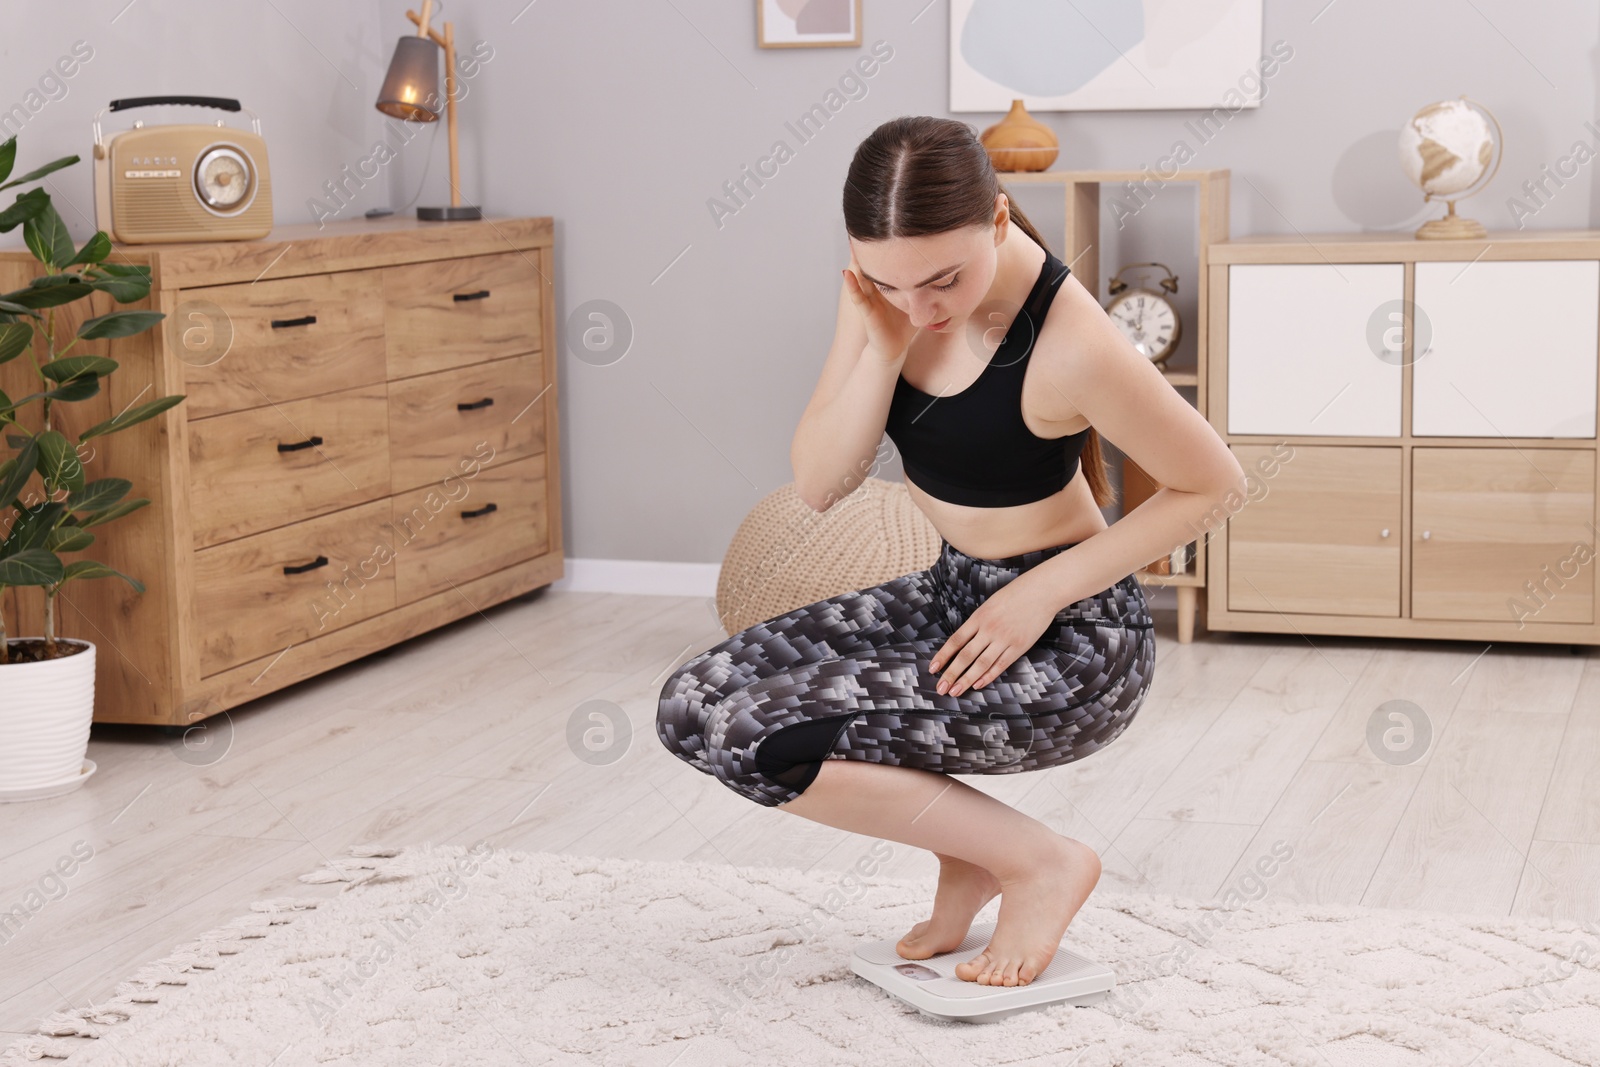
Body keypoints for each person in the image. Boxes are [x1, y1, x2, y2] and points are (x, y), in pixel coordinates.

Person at [656, 115, 1246, 989]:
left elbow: (1216, 485)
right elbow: (820, 483)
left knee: (755, 735)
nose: (921, 306)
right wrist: (881, 347)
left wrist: (1039, 593)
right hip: (952, 596)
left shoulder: (1069, 341)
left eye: (943, 281)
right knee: (690, 705)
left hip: (1071, 641)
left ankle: (1040, 862)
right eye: (893, 284)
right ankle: (968, 856)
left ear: (1000, 219)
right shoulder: (887, 294)